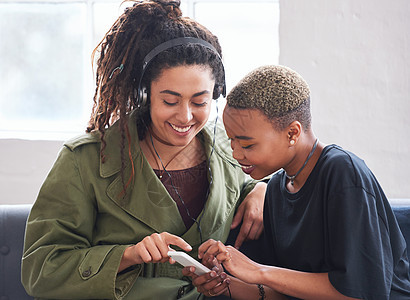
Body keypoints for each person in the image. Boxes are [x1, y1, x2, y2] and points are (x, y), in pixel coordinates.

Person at [21, 1, 267, 299]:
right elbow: (40, 270)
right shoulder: (84, 160)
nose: (186, 117)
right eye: (170, 101)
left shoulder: (229, 148)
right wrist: (128, 255)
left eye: (200, 102)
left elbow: (258, 189)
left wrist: (260, 190)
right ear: (145, 93)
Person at [184, 65, 410, 299]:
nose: (236, 154)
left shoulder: (342, 173)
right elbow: (282, 293)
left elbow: (362, 294)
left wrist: (259, 271)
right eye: (231, 141)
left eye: (247, 144)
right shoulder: (276, 188)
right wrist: (227, 283)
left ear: (292, 133)